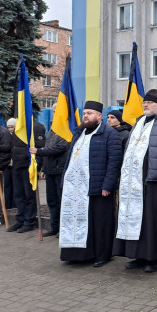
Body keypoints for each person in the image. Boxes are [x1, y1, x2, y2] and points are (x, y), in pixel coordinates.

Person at [114, 89, 157, 273]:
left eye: (150, 103)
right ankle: (139, 255)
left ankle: (155, 257)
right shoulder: (139, 122)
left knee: (154, 220)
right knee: (139, 219)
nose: (145, 105)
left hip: (155, 179)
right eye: (144, 102)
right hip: (135, 179)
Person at [59, 101, 122, 266]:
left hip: (98, 186)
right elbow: (70, 159)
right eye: (84, 113)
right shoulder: (79, 132)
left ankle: (102, 255)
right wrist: (65, 180)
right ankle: (77, 255)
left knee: (100, 223)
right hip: (76, 188)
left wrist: (108, 185)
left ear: (99, 116)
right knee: (77, 221)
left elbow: (114, 162)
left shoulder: (109, 134)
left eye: (89, 113)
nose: (85, 116)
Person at [29, 104, 70, 237]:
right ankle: (54, 227)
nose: (54, 113)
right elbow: (48, 146)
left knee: (61, 200)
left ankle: (63, 229)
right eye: (53, 111)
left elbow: (61, 147)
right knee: (51, 201)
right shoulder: (53, 128)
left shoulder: (67, 128)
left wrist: (39, 151)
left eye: (57, 111)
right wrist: (44, 169)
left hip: (60, 170)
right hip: (50, 170)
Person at [7, 116, 45, 233]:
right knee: (18, 195)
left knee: (29, 195)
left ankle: (29, 221)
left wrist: (37, 166)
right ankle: (20, 219)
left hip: (29, 166)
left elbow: (40, 147)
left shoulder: (36, 127)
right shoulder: (19, 127)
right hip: (17, 165)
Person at [3, 118, 16, 209]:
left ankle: (15, 205)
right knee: (7, 184)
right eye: (9, 127)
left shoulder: (18, 136)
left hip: (16, 164)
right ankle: (8, 205)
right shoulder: (6, 136)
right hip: (7, 164)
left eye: (12, 127)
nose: (10, 129)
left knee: (15, 185)